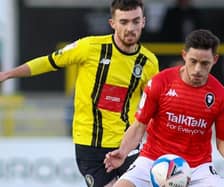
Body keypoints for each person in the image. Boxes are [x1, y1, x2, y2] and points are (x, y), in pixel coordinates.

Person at [0, 0, 159, 186]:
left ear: (143, 22)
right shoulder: (89, 47)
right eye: (123, 22)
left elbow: (152, 107)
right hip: (89, 146)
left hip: (128, 145)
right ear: (112, 23)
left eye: (135, 21)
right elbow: (48, 62)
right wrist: (7, 74)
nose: (130, 28)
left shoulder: (149, 62)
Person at [104, 29, 224, 187]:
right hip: (153, 159)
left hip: (197, 168)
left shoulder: (222, 97)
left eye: (205, 63)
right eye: (193, 61)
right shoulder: (160, 83)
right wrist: (123, 152)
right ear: (184, 55)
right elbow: (139, 126)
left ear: (215, 60)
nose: (198, 69)